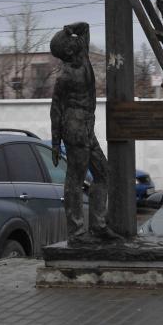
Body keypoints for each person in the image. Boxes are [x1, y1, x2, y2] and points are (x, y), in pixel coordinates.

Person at [50, 21, 119, 245]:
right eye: (72, 41)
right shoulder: (64, 76)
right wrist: (55, 142)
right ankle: (77, 232)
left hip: (87, 127)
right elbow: (56, 109)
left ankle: (98, 226)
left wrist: (68, 28)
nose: (77, 40)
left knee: (103, 173)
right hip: (74, 129)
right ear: (68, 50)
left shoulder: (84, 57)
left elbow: (86, 27)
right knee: (75, 180)